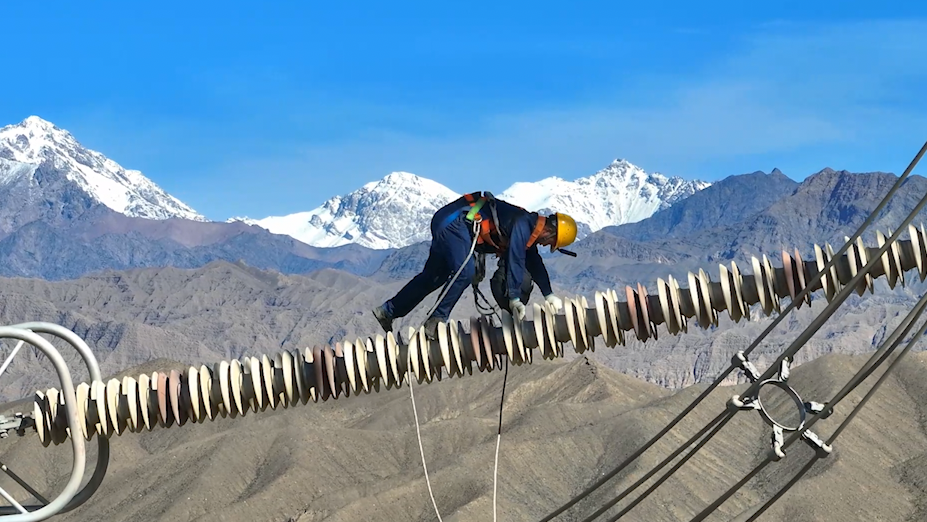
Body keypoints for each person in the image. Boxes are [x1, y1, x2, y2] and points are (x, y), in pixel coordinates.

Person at [372, 191, 577, 339]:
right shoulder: (523, 223)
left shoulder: (529, 229)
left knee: (432, 278)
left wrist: (549, 294)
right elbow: (516, 259)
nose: (546, 245)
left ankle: (388, 311)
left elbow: (534, 263)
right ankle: (435, 322)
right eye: (551, 243)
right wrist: (513, 297)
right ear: (549, 232)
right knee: (465, 272)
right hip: (455, 223)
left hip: (450, 224)